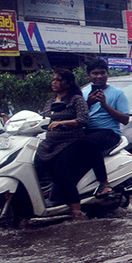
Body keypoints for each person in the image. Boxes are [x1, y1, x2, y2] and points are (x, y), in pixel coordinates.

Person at [35, 69, 96, 220]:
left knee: (61, 171)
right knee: (36, 164)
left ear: (67, 83)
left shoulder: (76, 99)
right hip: (50, 142)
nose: (54, 82)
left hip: (71, 141)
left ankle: (76, 210)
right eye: (53, 79)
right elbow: (43, 118)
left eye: (58, 80)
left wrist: (61, 123)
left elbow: (83, 120)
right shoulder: (51, 101)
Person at [82, 58, 130, 197]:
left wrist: (105, 105)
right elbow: (77, 115)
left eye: (102, 73)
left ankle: (104, 183)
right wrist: (88, 104)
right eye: (95, 73)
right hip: (86, 131)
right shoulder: (83, 93)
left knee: (89, 143)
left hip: (109, 132)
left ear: (107, 74)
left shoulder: (117, 93)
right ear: (88, 75)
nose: (99, 76)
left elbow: (125, 119)